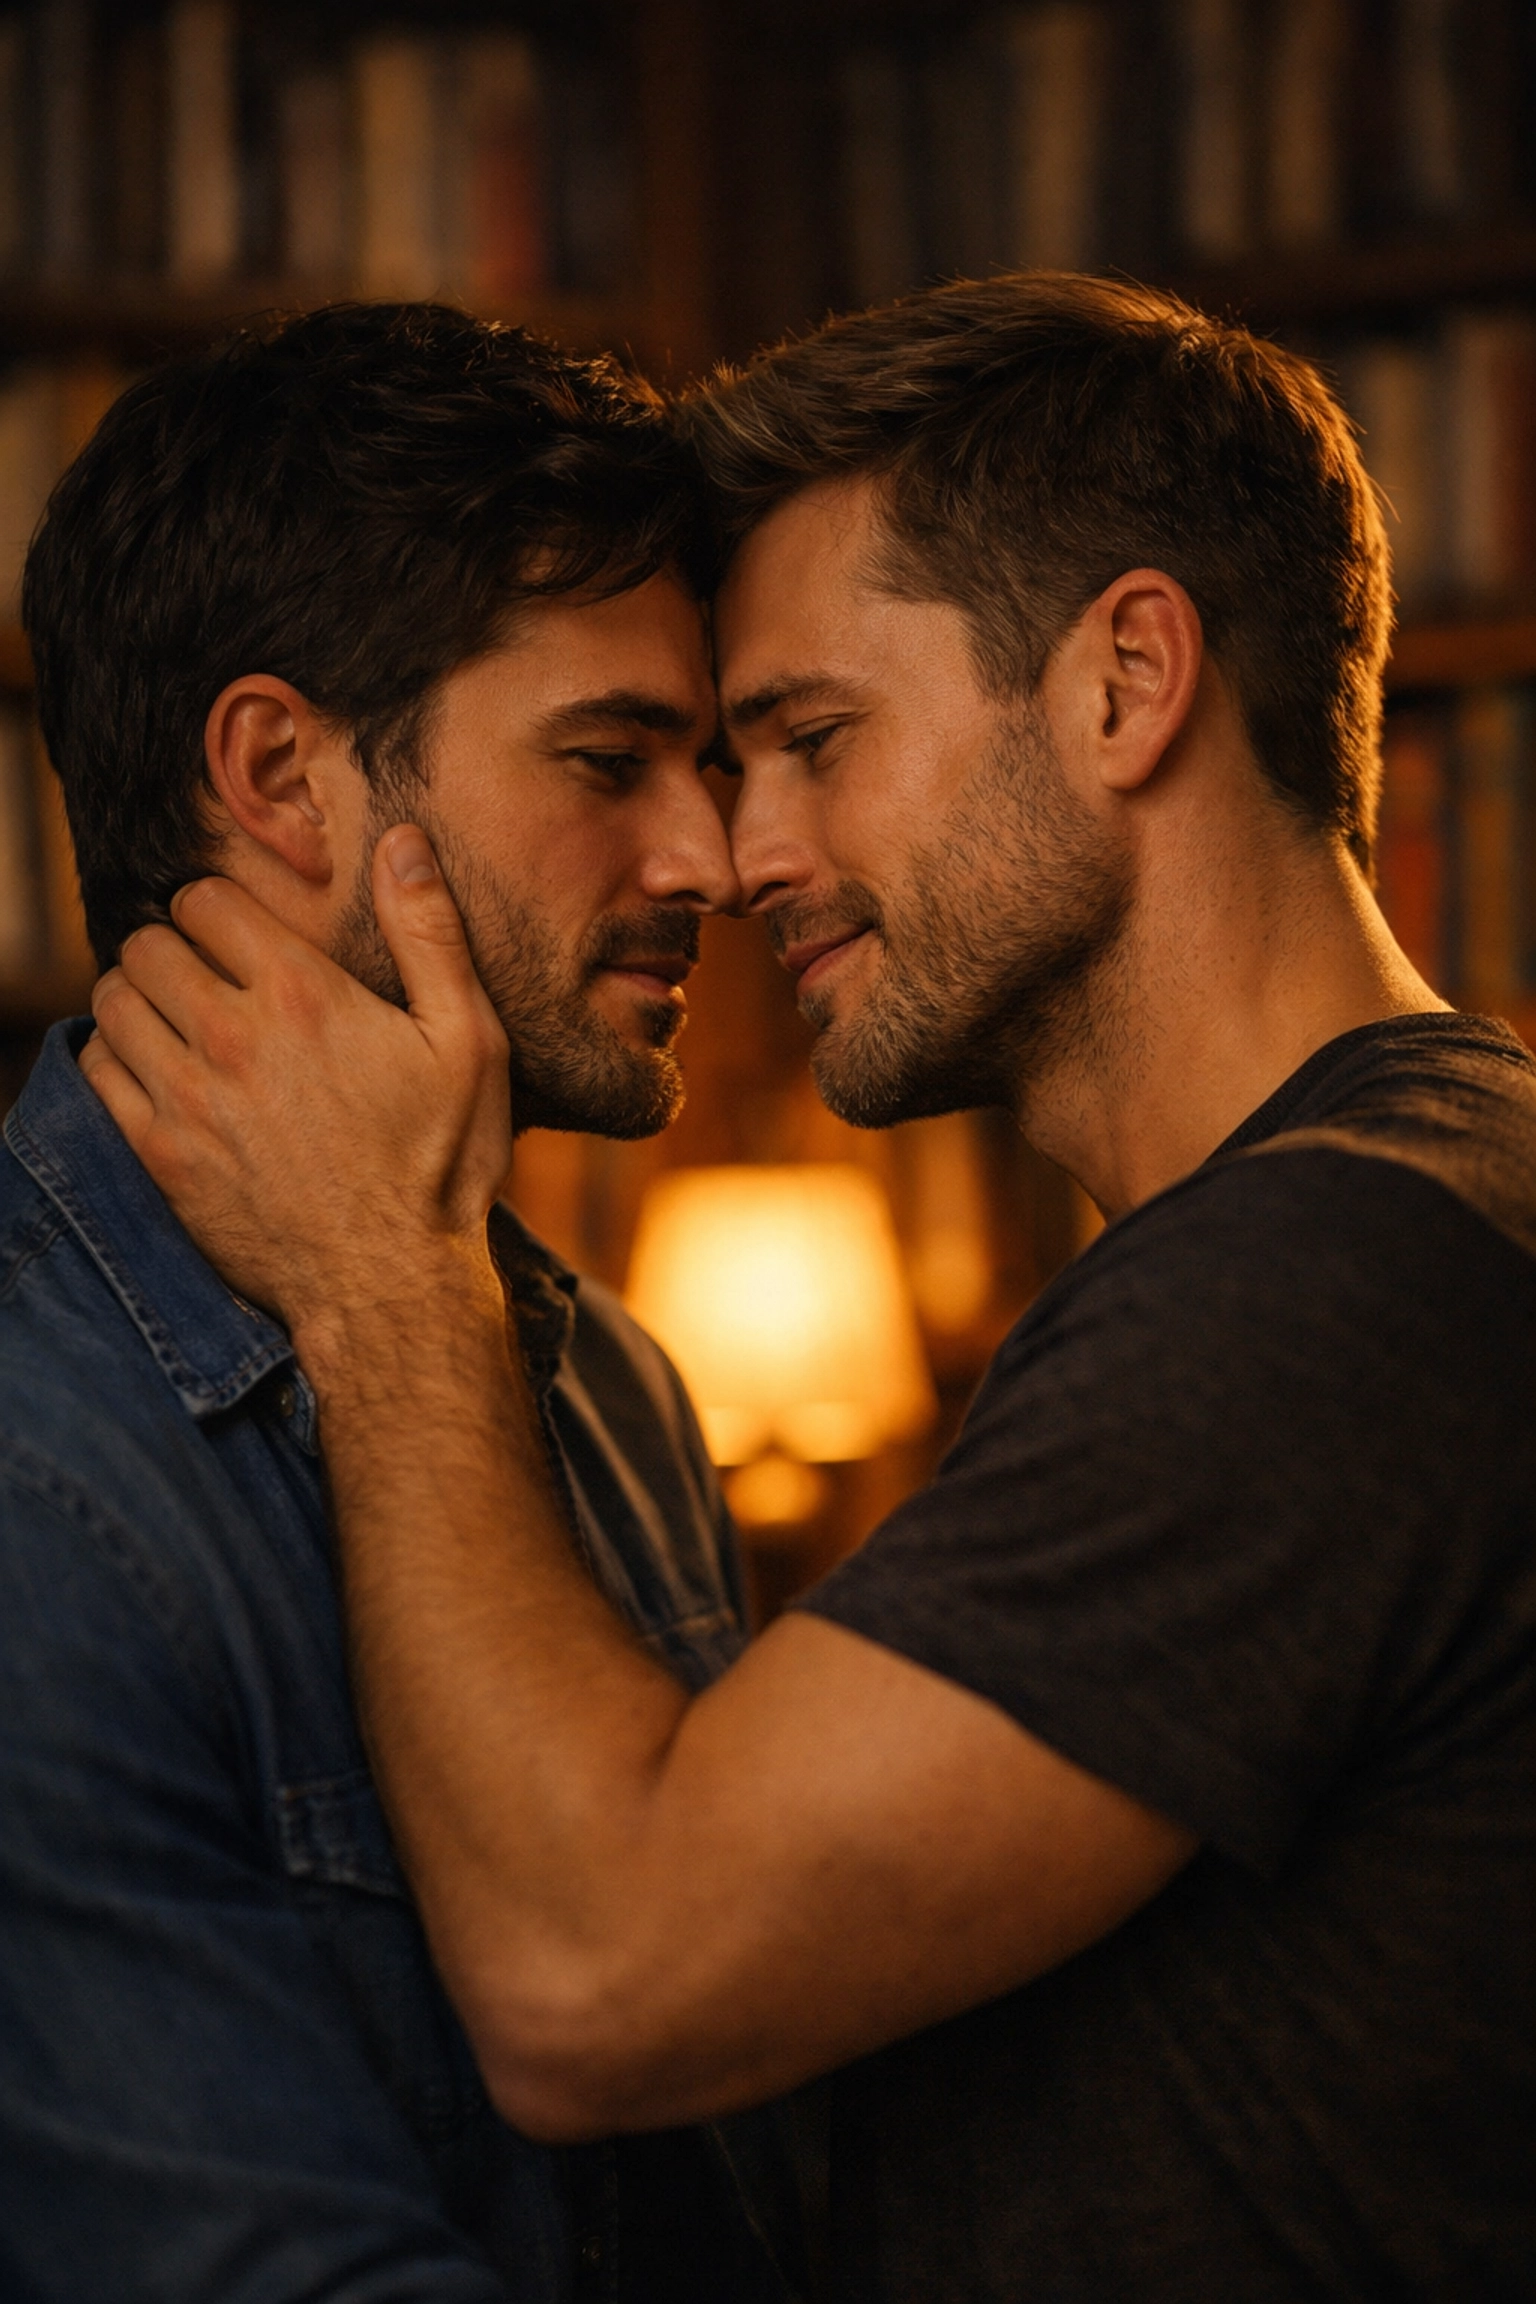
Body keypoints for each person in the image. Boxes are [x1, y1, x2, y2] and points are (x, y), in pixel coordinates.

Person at [86, 275, 1535, 2303]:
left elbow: (606, 1974)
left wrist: (385, 1282)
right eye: (651, 758)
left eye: (807, 740)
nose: (739, 855)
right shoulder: (1378, 1213)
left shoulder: (1335, 1269)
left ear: (1126, 683)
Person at [0, 301, 804, 2303]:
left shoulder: (605, 1377)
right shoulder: (29, 1480)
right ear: (280, 772)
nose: (713, 854)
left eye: (707, 763)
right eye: (610, 761)